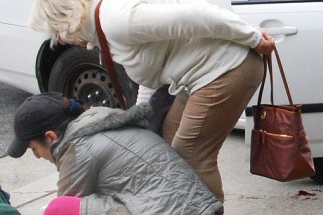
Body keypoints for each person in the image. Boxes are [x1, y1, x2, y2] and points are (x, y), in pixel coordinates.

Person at [28, 0, 277, 202]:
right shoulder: (104, 24)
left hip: (227, 68)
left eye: (57, 32)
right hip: (199, 75)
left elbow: (196, 16)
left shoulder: (116, 19)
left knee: (191, 153)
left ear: (68, 17)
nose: (60, 41)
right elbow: (150, 70)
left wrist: (254, 38)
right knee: (165, 135)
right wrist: (141, 117)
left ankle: (203, 209)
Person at [6, 92, 221, 215]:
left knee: (59, 209)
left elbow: (66, 203)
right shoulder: (104, 121)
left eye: (35, 150)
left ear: (51, 137)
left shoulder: (79, 148)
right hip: (199, 207)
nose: (40, 157)